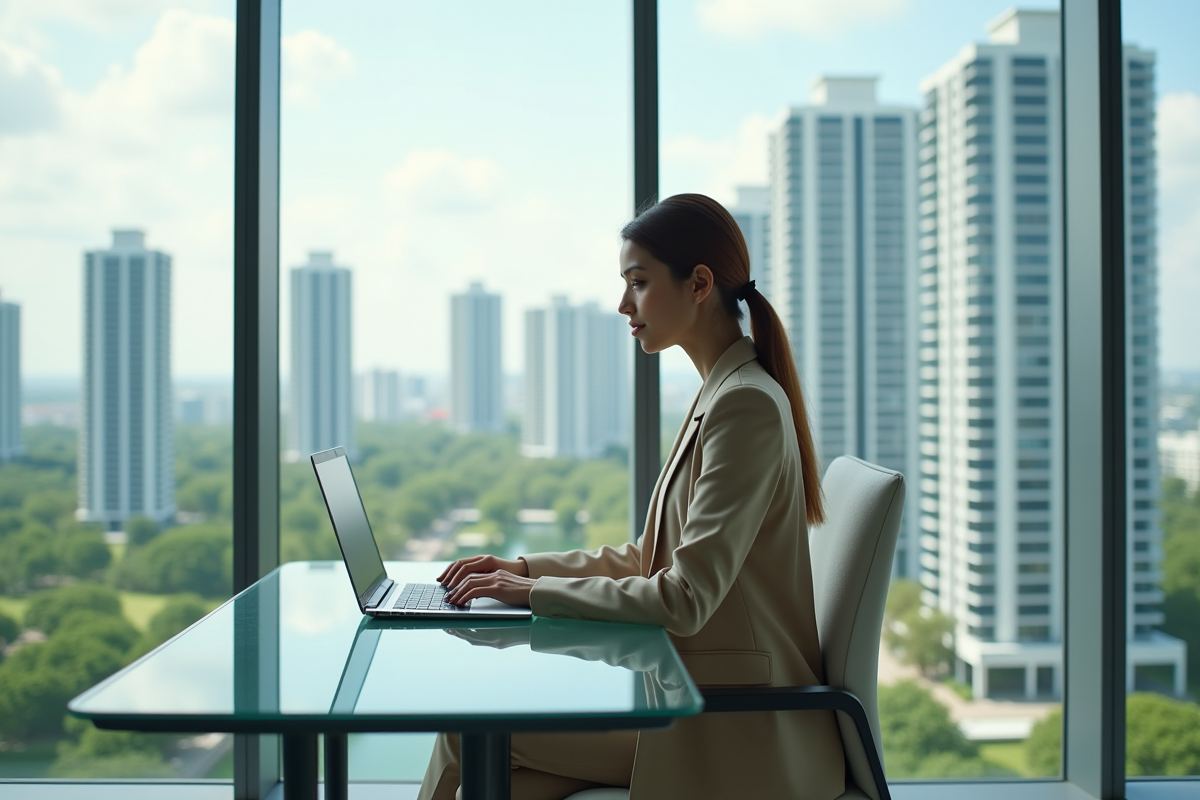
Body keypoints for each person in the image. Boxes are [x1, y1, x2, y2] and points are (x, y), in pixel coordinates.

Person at [419, 194, 845, 800]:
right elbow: (652, 556)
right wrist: (520, 569)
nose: (624, 305)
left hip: (738, 727)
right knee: (502, 784)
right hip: (695, 701)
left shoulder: (743, 404)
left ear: (699, 284)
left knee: (466, 734)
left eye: (638, 283)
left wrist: (530, 593)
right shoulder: (719, 393)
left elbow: (684, 597)